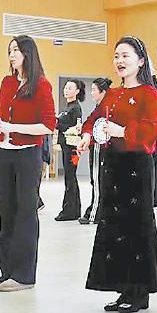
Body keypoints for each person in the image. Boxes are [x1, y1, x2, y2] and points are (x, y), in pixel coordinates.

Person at [78, 36, 157, 313]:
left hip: (136, 166)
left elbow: (155, 127)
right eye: (116, 56)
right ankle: (123, 287)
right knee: (114, 227)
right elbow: (95, 118)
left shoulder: (148, 94)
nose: (120, 61)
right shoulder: (111, 93)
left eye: (126, 56)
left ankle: (139, 291)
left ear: (141, 61)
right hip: (112, 165)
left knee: (136, 225)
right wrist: (87, 135)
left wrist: (123, 131)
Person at [0, 35, 56, 291]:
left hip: (27, 155)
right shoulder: (7, 83)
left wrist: (13, 127)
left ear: (28, 54)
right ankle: (6, 270)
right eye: (10, 50)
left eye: (16, 50)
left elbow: (48, 125)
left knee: (25, 213)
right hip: (4, 153)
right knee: (6, 211)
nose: (12, 55)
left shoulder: (42, 85)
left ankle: (24, 275)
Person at [80, 78, 112, 225]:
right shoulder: (99, 108)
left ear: (103, 92)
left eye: (94, 90)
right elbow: (88, 123)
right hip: (99, 146)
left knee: (97, 180)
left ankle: (95, 213)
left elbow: (91, 124)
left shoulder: (104, 108)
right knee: (99, 180)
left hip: (100, 147)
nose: (92, 93)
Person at [55, 79, 86, 222]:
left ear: (77, 91)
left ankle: (70, 210)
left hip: (72, 147)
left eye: (70, 88)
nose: (66, 90)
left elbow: (72, 127)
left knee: (70, 176)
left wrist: (56, 122)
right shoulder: (68, 107)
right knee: (70, 177)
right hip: (66, 146)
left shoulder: (75, 108)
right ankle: (73, 209)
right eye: (65, 88)